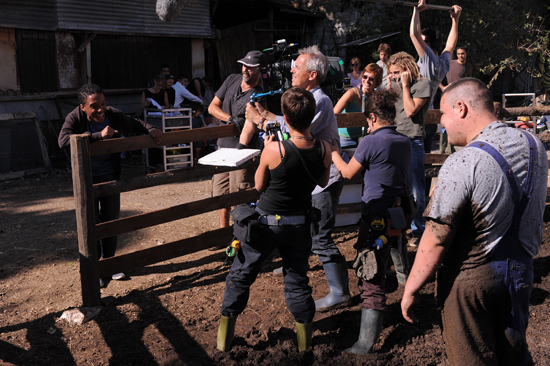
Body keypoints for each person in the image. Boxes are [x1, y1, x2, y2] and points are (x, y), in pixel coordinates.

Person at [401, 78, 548, 365]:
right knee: (514, 356)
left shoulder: (463, 161)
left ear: (461, 108)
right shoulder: (535, 146)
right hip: (520, 274)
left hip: (471, 280)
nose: (442, 123)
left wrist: (411, 288)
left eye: (442, 114)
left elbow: (436, 237)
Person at [217, 87, 332, 352]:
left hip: (267, 224)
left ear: (285, 118)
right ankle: (304, 346)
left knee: (241, 275)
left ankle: (224, 341)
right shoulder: (325, 148)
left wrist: (268, 150)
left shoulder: (274, 151)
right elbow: (323, 181)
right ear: (312, 115)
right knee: (298, 282)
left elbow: (258, 187)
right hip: (301, 224)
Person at [246, 45, 351, 312]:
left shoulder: (321, 101)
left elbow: (295, 132)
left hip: (324, 178)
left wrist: (261, 121)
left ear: (313, 74)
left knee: (321, 237)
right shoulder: (306, 98)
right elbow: (288, 122)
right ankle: (295, 263)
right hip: (311, 176)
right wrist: (266, 116)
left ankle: (340, 292)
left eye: (297, 67)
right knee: (306, 228)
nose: (291, 70)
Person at [331, 88, 411, 355]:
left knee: (370, 272)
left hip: (375, 213)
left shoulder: (370, 142)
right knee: (389, 251)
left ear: (374, 116)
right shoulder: (404, 141)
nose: (367, 124)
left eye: (367, 119)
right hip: (397, 210)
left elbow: (348, 172)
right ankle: (401, 283)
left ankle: (365, 343)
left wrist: (333, 153)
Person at [58, 84, 162, 287]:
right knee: (92, 224)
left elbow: (135, 123)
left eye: (103, 104)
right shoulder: (74, 118)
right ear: (83, 107)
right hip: (87, 180)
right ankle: (95, 268)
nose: (100, 110)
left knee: (111, 221)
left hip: (110, 176)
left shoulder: (113, 115)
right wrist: (98, 136)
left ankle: (111, 264)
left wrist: (152, 129)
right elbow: (63, 142)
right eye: (94, 106)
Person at [208, 50, 266, 232]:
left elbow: (257, 121)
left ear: (259, 70)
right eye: (244, 65)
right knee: (220, 194)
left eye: (250, 67)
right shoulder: (232, 79)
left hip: (243, 153)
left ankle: (240, 236)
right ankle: (223, 233)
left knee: (240, 195)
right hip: (222, 148)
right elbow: (212, 107)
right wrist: (230, 118)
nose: (245, 70)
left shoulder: (260, 95)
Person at [411, 0, 461, 179]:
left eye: (424, 42)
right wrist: (455, 20)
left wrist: (416, 11)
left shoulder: (428, 58)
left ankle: (416, 201)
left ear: (428, 44)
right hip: (430, 116)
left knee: (414, 161)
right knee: (425, 160)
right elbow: (450, 45)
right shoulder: (442, 62)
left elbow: (414, 34)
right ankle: (422, 195)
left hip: (418, 116)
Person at [386, 52, 431, 248]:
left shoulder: (422, 84)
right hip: (394, 140)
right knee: (392, 187)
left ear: (407, 69)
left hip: (412, 141)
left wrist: (404, 86)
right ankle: (396, 227)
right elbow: (385, 109)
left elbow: (411, 110)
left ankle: (418, 229)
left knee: (415, 189)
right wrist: (389, 86)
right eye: (391, 73)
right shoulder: (393, 84)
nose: (394, 76)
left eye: (396, 72)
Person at [334, 63, 383, 148]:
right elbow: (333, 114)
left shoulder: (376, 97)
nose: (367, 81)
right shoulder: (351, 93)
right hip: (347, 139)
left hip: (366, 138)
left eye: (371, 79)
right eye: (365, 77)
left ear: (377, 82)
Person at [439, 45, 473, 153]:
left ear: (466, 53)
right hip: (448, 96)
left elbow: (469, 82)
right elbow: (436, 74)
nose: (461, 56)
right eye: (458, 54)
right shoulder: (450, 63)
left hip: (460, 98)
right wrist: (442, 87)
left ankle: (451, 147)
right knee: (444, 122)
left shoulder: (468, 67)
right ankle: (441, 149)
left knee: (456, 121)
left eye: (462, 53)